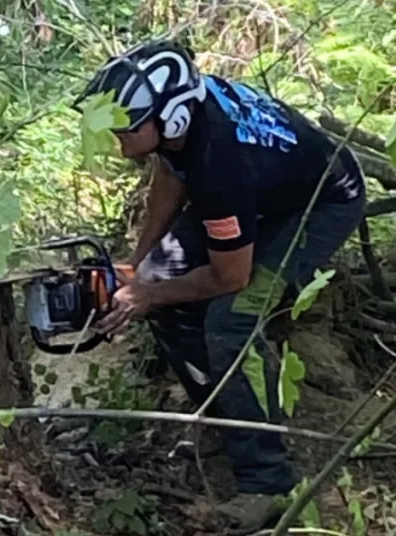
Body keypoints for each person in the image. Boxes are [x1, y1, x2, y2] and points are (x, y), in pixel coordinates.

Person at [71, 39, 367, 532]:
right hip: (264, 192)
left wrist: (147, 296)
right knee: (157, 280)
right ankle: (225, 413)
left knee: (232, 320)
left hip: (320, 204)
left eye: (127, 128)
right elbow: (170, 175)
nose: (117, 139)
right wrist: (137, 264)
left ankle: (268, 482)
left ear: (169, 119)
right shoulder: (182, 128)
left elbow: (232, 276)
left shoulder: (218, 162)